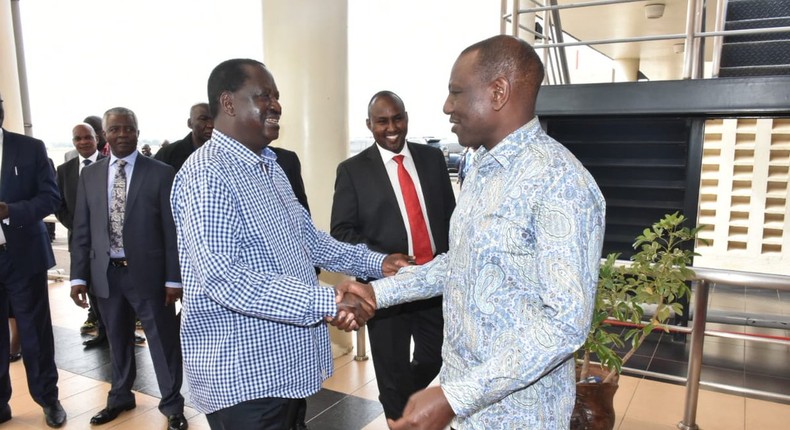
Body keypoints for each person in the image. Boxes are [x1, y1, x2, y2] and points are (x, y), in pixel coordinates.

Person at [338, 35, 607, 429]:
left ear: (498, 91)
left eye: (457, 93)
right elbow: (459, 265)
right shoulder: (481, 169)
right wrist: (378, 292)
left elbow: (565, 323)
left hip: (519, 417)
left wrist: (453, 397)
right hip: (466, 407)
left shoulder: (561, 183)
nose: (447, 106)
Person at [170, 58, 409, 429]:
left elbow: (309, 241)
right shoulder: (207, 174)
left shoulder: (269, 166)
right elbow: (224, 278)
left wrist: (378, 264)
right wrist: (328, 301)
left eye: (277, 96)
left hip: (283, 369)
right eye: (263, 95)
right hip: (244, 379)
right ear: (229, 103)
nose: (276, 105)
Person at [330, 90, 455, 420]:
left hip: (434, 283)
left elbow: (449, 217)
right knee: (391, 368)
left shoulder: (431, 159)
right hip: (385, 290)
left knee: (436, 355)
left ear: (406, 118)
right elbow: (342, 234)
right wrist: (382, 259)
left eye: (397, 118)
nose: (391, 127)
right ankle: (399, 417)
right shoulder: (353, 171)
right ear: (369, 124)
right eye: (382, 121)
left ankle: (404, 404)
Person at [69, 107, 188, 430]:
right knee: (116, 340)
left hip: (149, 276)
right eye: (115, 129)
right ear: (104, 135)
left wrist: (173, 278)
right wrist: (78, 275)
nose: (123, 135)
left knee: (162, 341)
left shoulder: (161, 173)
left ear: (137, 131)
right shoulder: (90, 175)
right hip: (105, 276)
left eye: (129, 129)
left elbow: (171, 231)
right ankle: (119, 396)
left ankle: (172, 404)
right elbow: (82, 228)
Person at [0, 93, 67, 427]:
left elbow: (50, 198)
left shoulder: (29, 148)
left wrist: (11, 211)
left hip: (22, 255)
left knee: (34, 332)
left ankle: (48, 399)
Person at [55, 123, 108, 348]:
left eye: (87, 138)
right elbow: (59, 204)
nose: (83, 142)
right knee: (89, 290)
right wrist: (79, 228)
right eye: (78, 139)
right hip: (79, 242)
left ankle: (120, 332)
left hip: (107, 242)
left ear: (97, 139)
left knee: (110, 289)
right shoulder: (64, 170)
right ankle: (103, 332)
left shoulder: (109, 165)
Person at [154, 103, 214, 172]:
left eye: (215, 119)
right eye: (203, 119)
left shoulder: (226, 153)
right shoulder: (167, 154)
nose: (211, 125)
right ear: (189, 123)